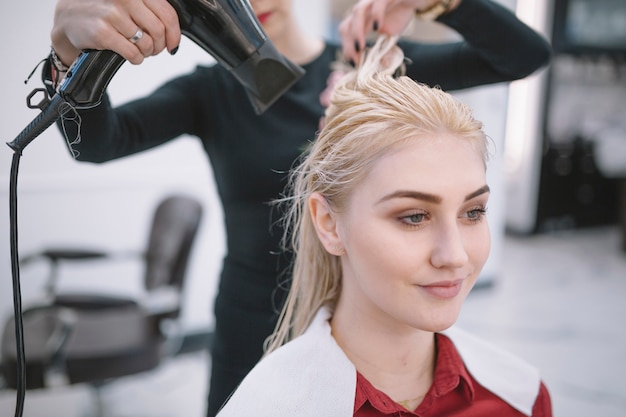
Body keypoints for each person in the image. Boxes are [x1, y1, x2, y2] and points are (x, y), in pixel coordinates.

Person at [44, 0, 551, 415]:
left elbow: (522, 57)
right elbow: (98, 143)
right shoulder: (209, 92)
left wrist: (441, 3)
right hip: (253, 321)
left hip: (372, 322)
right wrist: (68, 55)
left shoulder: (371, 67)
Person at [216, 35, 552, 417]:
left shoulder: (519, 398)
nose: (455, 256)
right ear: (329, 224)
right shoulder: (267, 408)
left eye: (473, 212)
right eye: (414, 217)